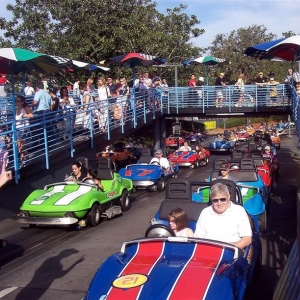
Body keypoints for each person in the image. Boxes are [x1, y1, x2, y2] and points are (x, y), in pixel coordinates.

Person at [194, 183, 252, 249]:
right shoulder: (205, 212)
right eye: (215, 200)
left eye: (222, 199)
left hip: (231, 252)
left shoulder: (238, 211)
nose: (219, 203)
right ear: (211, 200)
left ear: (228, 197)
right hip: (208, 251)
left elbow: (247, 238)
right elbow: (198, 237)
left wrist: (232, 249)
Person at [15, 95, 33, 167]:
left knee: (23, 147)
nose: (16, 102)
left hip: (24, 129)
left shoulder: (24, 109)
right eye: (16, 101)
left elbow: (31, 115)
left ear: (22, 102)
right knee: (19, 147)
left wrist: (24, 116)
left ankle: (27, 160)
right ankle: (22, 161)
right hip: (18, 129)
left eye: (18, 101)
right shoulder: (16, 110)